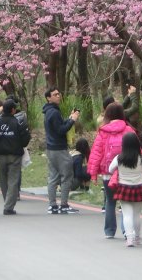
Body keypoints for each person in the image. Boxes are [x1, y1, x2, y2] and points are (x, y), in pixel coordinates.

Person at [88, 102, 137, 238]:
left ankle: (109, 231)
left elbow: (96, 153)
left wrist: (93, 174)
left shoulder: (103, 131)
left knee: (110, 201)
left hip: (107, 173)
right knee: (125, 202)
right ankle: (126, 231)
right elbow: (138, 149)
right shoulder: (129, 130)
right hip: (125, 172)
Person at [43, 86, 80, 214]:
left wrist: (69, 119)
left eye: (59, 94)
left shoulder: (49, 111)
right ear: (48, 98)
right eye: (55, 94)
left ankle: (52, 205)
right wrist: (72, 121)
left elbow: (58, 126)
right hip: (59, 148)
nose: (58, 96)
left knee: (53, 176)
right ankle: (64, 204)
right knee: (67, 175)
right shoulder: (54, 112)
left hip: (50, 148)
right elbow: (60, 130)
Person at [0, 98, 31, 214]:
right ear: (13, 110)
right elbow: (25, 139)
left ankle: (7, 202)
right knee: (13, 180)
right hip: (14, 156)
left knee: (3, 180)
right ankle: (8, 207)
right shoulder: (18, 122)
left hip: (0, 156)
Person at [109, 131, 142, 247]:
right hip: (139, 187)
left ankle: (130, 238)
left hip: (124, 187)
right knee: (137, 214)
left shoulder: (119, 158)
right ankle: (137, 237)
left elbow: (111, 170)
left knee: (127, 214)